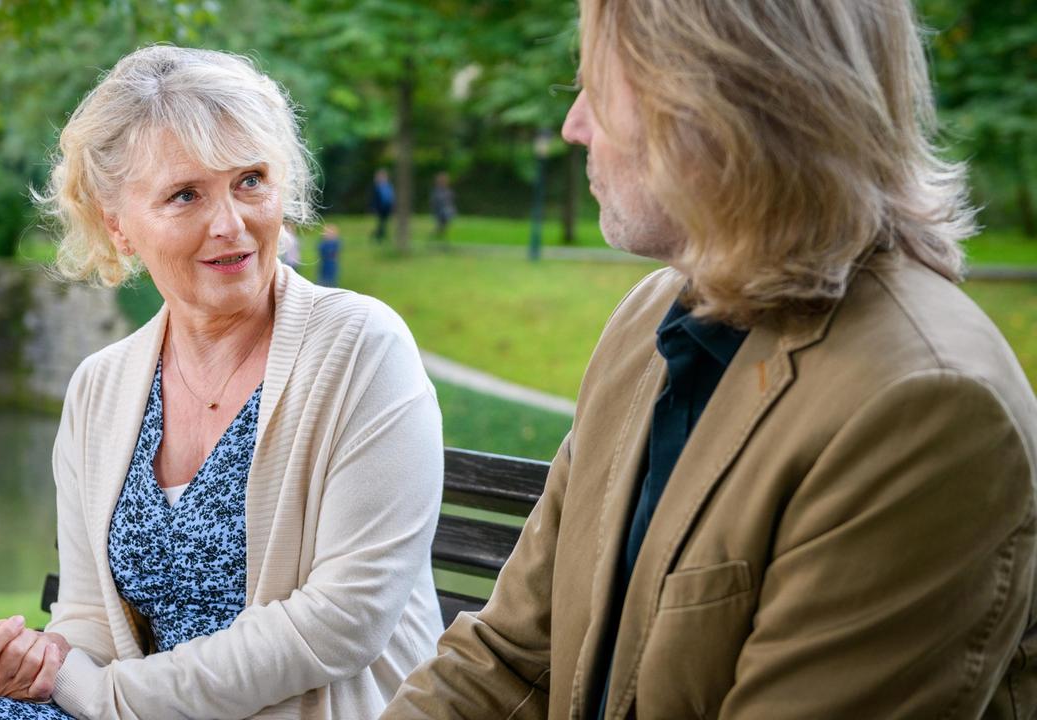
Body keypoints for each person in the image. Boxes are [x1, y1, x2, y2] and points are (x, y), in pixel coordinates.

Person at [382, 0, 1037, 718]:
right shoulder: (650, 321)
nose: (574, 126)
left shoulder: (926, 407)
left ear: (717, 102)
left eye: (597, 90)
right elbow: (509, 663)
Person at [0, 45, 445, 720]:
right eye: (186, 195)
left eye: (250, 181)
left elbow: (339, 622)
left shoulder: (361, 348)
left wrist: (101, 693)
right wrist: (41, 657)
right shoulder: (99, 388)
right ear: (116, 225)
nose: (230, 225)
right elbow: (92, 617)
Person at [429, 172, 455, 241]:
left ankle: (437, 239)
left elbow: (450, 201)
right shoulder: (437, 191)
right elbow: (435, 203)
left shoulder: (447, 191)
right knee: (441, 228)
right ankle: (436, 239)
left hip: (446, 212)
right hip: (441, 212)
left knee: (442, 228)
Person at [370, 168, 394, 242]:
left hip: (386, 207)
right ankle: (379, 235)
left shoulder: (387, 186)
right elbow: (375, 199)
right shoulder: (378, 187)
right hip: (381, 208)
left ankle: (380, 234)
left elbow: (390, 197)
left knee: (383, 222)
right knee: (381, 222)